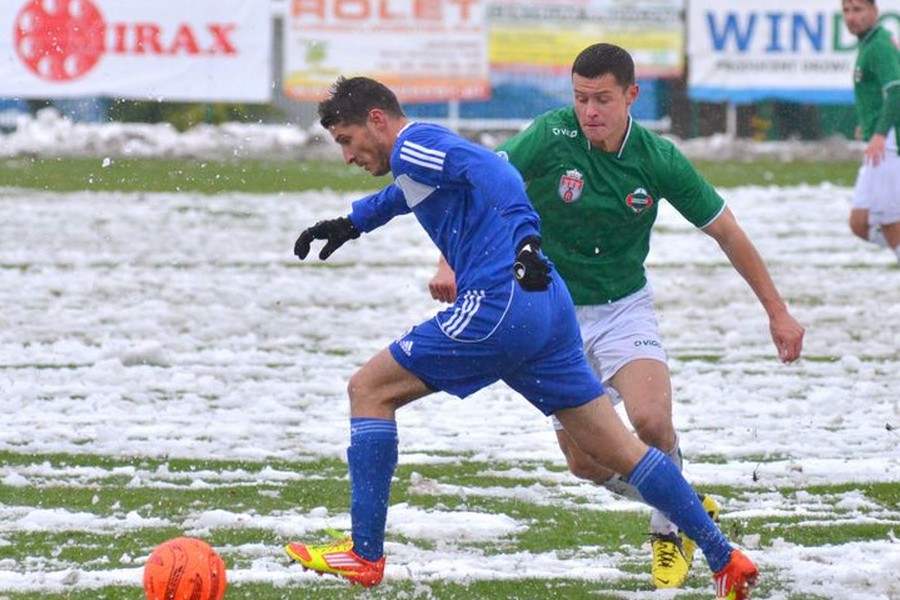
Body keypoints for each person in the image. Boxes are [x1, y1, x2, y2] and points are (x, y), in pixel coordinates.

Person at [284, 75, 760, 599]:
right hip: (547, 307)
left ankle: (364, 555)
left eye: (347, 140)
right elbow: (408, 193)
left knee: (369, 390)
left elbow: (495, 171)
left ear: (377, 120)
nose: (348, 156)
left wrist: (526, 238)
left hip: (499, 301)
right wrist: (352, 223)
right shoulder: (417, 156)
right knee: (618, 451)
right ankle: (726, 558)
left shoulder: (415, 142)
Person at [429, 43, 804, 589]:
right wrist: (448, 257)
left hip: (624, 306)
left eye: (602, 99)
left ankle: (669, 527)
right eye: (580, 99)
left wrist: (777, 312)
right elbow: (478, 182)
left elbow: (726, 231)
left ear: (631, 96)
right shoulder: (551, 135)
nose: (590, 112)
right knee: (583, 462)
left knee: (651, 420)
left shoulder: (657, 158)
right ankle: (684, 501)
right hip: (551, 315)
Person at [841, 0, 900, 262]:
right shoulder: (869, 43)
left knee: (889, 222)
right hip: (877, 139)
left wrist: (879, 132)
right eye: (846, 10)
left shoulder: (879, 44)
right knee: (860, 222)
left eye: (858, 9)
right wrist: (867, 125)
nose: (851, 17)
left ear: (874, 12)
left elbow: (896, 89)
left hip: (887, 142)